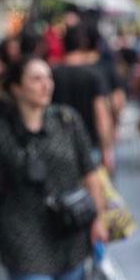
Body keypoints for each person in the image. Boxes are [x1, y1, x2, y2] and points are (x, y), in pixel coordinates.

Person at [0, 56, 109, 280]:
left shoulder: (67, 120)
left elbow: (90, 173)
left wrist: (98, 219)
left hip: (70, 236)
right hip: (23, 238)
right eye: (36, 79)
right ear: (17, 88)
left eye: (48, 78)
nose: (45, 85)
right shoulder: (2, 132)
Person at [51, 25, 115, 172]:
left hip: (57, 147)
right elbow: (101, 116)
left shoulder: (52, 75)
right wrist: (107, 150)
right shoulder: (93, 75)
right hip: (90, 148)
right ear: (84, 45)